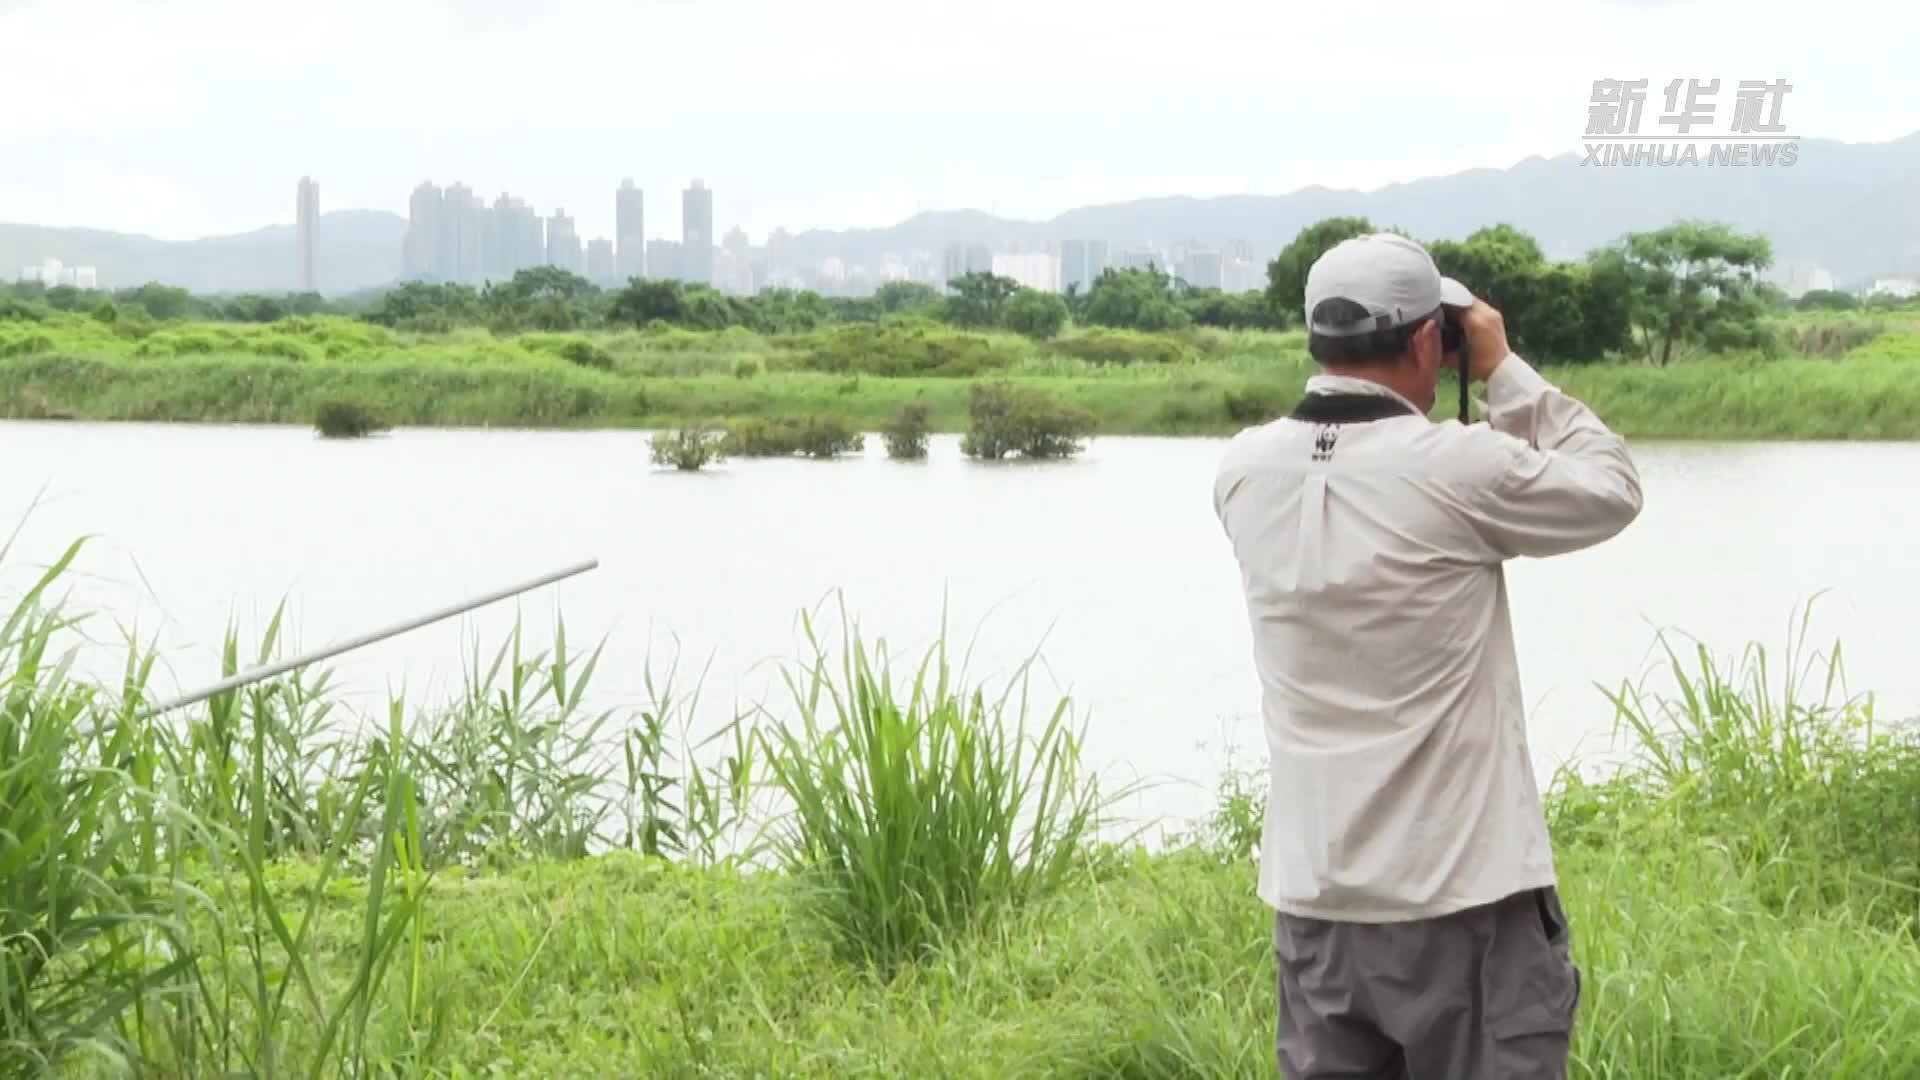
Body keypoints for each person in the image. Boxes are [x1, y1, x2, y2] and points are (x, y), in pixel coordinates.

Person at [1211, 232, 1644, 1079]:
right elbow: (1611, 488)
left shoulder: (1241, 471)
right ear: (1425, 342)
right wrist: (1502, 370)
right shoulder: (1459, 467)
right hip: (1462, 903)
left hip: (1315, 906)